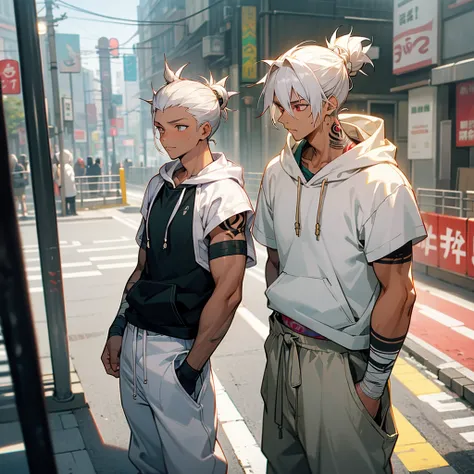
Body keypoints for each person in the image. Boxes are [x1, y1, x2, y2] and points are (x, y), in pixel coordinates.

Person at [252, 28, 428, 473]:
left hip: (342, 366)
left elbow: (399, 292)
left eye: (298, 104)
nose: (285, 116)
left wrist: (371, 387)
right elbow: (274, 261)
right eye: (279, 104)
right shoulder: (277, 172)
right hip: (283, 351)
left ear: (329, 104)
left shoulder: (380, 183)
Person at [101, 59, 256, 474]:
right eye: (160, 128)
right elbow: (141, 268)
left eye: (179, 126)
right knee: (145, 458)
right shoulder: (158, 184)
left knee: (193, 466)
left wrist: (191, 368)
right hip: (136, 339)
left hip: (178, 348)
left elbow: (229, 292)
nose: (166, 137)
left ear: (205, 129)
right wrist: (119, 328)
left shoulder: (224, 197)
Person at [9, 154, 28, 218]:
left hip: (17, 186)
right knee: (19, 200)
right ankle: (20, 213)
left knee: (19, 199)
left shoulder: (15, 167)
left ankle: (21, 213)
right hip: (18, 186)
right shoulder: (16, 166)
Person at [61, 149, 77, 216]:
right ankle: (72, 211)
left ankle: (67, 211)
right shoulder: (68, 166)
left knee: (66, 200)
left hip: (66, 188)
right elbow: (70, 177)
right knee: (72, 201)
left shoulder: (62, 166)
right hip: (70, 188)